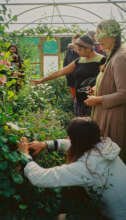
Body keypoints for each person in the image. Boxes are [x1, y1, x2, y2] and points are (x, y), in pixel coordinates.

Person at [18, 117, 126, 220]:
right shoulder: (104, 146)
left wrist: (25, 155)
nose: (67, 139)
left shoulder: (86, 168)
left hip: (117, 216)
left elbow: (39, 178)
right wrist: (44, 144)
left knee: (62, 217)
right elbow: (75, 143)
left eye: (69, 137)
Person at [32, 35, 106, 116]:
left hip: (93, 102)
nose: (77, 52)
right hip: (79, 101)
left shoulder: (101, 60)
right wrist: (41, 80)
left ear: (88, 48)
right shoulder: (79, 61)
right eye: (76, 49)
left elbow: (105, 80)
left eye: (79, 49)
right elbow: (60, 72)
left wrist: (94, 90)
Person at [84, 19, 126, 161]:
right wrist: (97, 89)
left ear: (112, 35)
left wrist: (98, 99)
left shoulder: (120, 57)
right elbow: (112, 82)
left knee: (113, 159)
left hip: (114, 119)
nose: (97, 39)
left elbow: (124, 93)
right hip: (107, 115)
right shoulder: (113, 55)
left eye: (100, 35)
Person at [63, 33, 80, 100]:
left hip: (81, 80)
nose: (74, 44)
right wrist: (67, 74)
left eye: (76, 43)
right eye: (74, 42)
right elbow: (65, 63)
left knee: (82, 97)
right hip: (71, 80)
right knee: (75, 98)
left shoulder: (83, 52)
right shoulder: (69, 51)